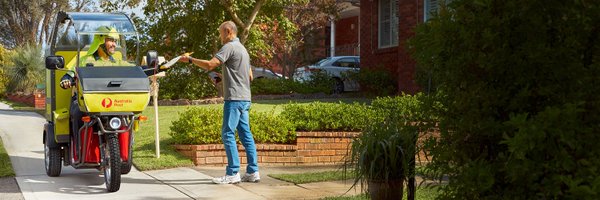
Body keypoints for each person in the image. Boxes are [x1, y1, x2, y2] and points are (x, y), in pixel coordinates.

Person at [178, 21, 259, 184]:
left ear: (228, 31)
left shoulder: (229, 47)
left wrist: (190, 60)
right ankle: (253, 171)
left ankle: (233, 173)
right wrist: (223, 78)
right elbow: (248, 76)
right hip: (245, 98)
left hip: (234, 99)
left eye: (221, 33)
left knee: (228, 133)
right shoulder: (243, 49)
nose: (220, 36)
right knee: (245, 134)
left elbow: (210, 64)